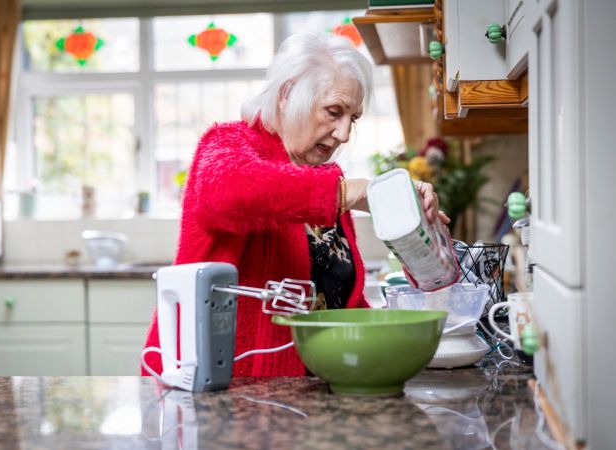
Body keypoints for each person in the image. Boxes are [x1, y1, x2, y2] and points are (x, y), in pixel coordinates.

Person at [142, 32, 447, 377]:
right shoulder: (228, 143)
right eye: (334, 112)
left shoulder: (326, 178)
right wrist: (356, 192)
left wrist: (418, 234)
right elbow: (227, 195)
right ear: (287, 95)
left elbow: (337, 301)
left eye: (353, 119)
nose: (344, 133)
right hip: (218, 394)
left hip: (306, 397)